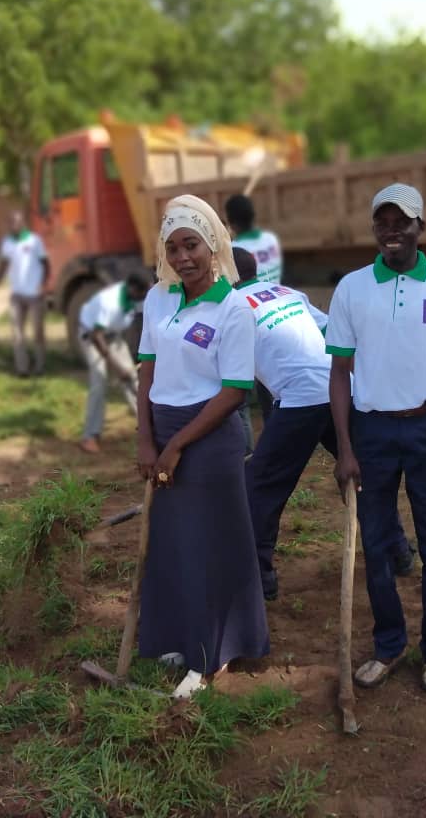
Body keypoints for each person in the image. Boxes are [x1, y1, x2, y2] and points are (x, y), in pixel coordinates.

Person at [326, 182, 426, 695]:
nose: (392, 230)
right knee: (375, 544)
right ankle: (389, 645)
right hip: (371, 433)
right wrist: (344, 448)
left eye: (402, 221)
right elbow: (340, 373)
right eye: (382, 222)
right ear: (374, 228)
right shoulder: (351, 288)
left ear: (420, 227)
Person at [136, 194, 269, 699]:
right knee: (171, 542)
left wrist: (178, 447)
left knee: (210, 543)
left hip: (210, 439)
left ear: (212, 244)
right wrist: (147, 438)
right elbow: (147, 368)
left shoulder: (234, 308)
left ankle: (209, 656)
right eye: (173, 248)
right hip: (164, 430)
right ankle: (175, 637)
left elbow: (235, 390)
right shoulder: (158, 299)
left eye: (191, 244)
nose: (183, 257)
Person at [233, 246, 415, 602]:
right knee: (364, 474)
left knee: (261, 487)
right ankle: (398, 552)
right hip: (339, 388)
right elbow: (331, 329)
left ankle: (258, 576)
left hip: (302, 398)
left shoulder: (230, 308)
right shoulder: (286, 293)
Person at [78, 273, 150, 454]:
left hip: (113, 336)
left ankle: (148, 428)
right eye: (143, 293)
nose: (145, 296)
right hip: (93, 338)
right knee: (99, 384)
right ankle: (90, 436)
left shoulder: (137, 296)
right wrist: (117, 368)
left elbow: (144, 321)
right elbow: (97, 336)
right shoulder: (108, 302)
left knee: (133, 380)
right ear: (133, 289)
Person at [226, 193, 281, 426]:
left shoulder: (233, 249)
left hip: (248, 316)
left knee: (243, 384)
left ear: (232, 222)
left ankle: (257, 441)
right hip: (274, 307)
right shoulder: (270, 239)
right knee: (271, 384)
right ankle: (275, 428)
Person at [0, 210, 49, 376]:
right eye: (10, 222)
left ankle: (40, 366)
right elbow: (2, 267)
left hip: (34, 294)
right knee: (17, 333)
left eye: (16, 222)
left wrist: (43, 285)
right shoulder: (6, 242)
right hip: (17, 294)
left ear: (23, 223)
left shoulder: (35, 240)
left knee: (38, 331)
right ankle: (22, 368)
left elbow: (46, 264)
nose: (13, 225)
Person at [226, 193, 283, 284]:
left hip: (254, 297)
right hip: (276, 294)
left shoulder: (234, 251)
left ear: (232, 224)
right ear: (253, 217)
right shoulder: (271, 239)